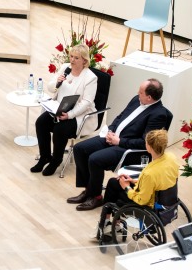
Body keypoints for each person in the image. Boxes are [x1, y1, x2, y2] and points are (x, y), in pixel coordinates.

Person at [67, 78, 169, 211]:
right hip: (113, 137)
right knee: (80, 149)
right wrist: (111, 130)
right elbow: (120, 117)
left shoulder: (158, 114)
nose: (138, 94)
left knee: (95, 159)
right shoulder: (136, 100)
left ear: (149, 97)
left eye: (141, 93)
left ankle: (96, 197)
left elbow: (145, 143)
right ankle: (89, 190)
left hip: (127, 148)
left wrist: (119, 141)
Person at [96, 129, 178, 240]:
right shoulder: (171, 158)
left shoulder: (149, 173)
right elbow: (160, 181)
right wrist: (133, 181)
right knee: (113, 183)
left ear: (149, 146)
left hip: (149, 205)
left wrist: (126, 187)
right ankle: (114, 224)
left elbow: (141, 200)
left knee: (113, 190)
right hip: (166, 200)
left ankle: (108, 223)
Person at [31, 44, 98, 176]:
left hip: (78, 115)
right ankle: (45, 156)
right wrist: (57, 82)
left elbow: (86, 103)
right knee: (41, 122)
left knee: (60, 129)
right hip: (59, 108)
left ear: (84, 60)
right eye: (71, 56)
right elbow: (51, 88)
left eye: (76, 58)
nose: (72, 60)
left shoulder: (90, 78)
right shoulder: (64, 68)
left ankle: (56, 160)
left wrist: (70, 115)